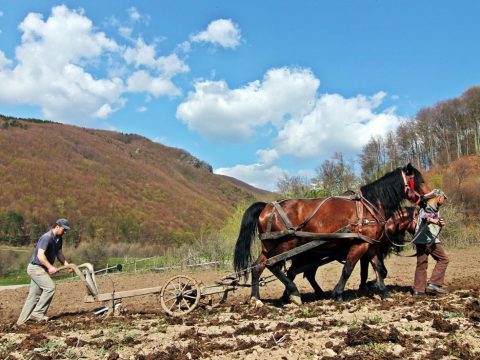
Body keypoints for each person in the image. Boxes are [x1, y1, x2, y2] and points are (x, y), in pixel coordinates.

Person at [17, 218, 71, 324]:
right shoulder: (46, 238)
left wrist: (67, 266)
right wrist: (50, 267)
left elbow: (59, 254)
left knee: (33, 297)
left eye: (66, 230)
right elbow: (40, 256)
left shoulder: (59, 239)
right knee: (50, 288)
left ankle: (21, 323)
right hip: (35, 268)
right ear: (57, 226)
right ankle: (38, 314)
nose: (65, 232)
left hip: (41, 269)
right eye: (64, 229)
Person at [412, 189, 449, 297]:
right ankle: (434, 284)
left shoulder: (428, 205)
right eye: (443, 198)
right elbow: (426, 217)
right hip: (429, 241)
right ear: (439, 197)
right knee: (443, 259)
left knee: (421, 264)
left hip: (420, 241)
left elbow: (429, 216)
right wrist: (435, 221)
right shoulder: (430, 206)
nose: (444, 200)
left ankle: (418, 291)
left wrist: (439, 221)